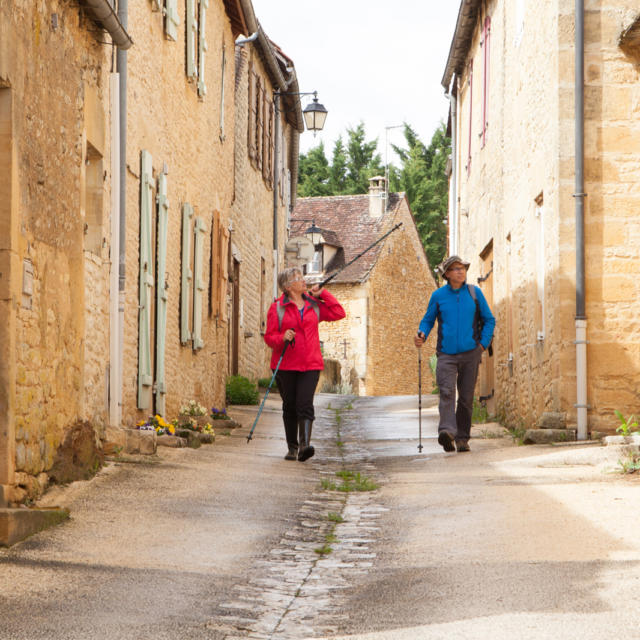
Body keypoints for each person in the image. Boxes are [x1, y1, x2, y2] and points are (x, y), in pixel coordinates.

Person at [414, 255, 495, 453]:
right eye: (456, 269)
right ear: (447, 274)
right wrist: (421, 334)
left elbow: (489, 320)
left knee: (466, 398)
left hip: (471, 353)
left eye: (463, 268)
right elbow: (428, 320)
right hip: (446, 355)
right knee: (447, 393)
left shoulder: (474, 293)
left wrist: (482, 345)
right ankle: (447, 432)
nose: (461, 271)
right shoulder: (438, 296)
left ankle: (462, 439)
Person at [264, 267, 346, 461]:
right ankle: (292, 447)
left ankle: (304, 446)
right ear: (287, 286)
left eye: (302, 277)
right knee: (290, 406)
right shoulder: (277, 308)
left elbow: (338, 312)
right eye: (297, 278)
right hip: (285, 365)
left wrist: (323, 293)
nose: (303, 280)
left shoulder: (314, 305)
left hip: (310, 365)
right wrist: (282, 337)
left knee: (305, 404)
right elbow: (269, 337)